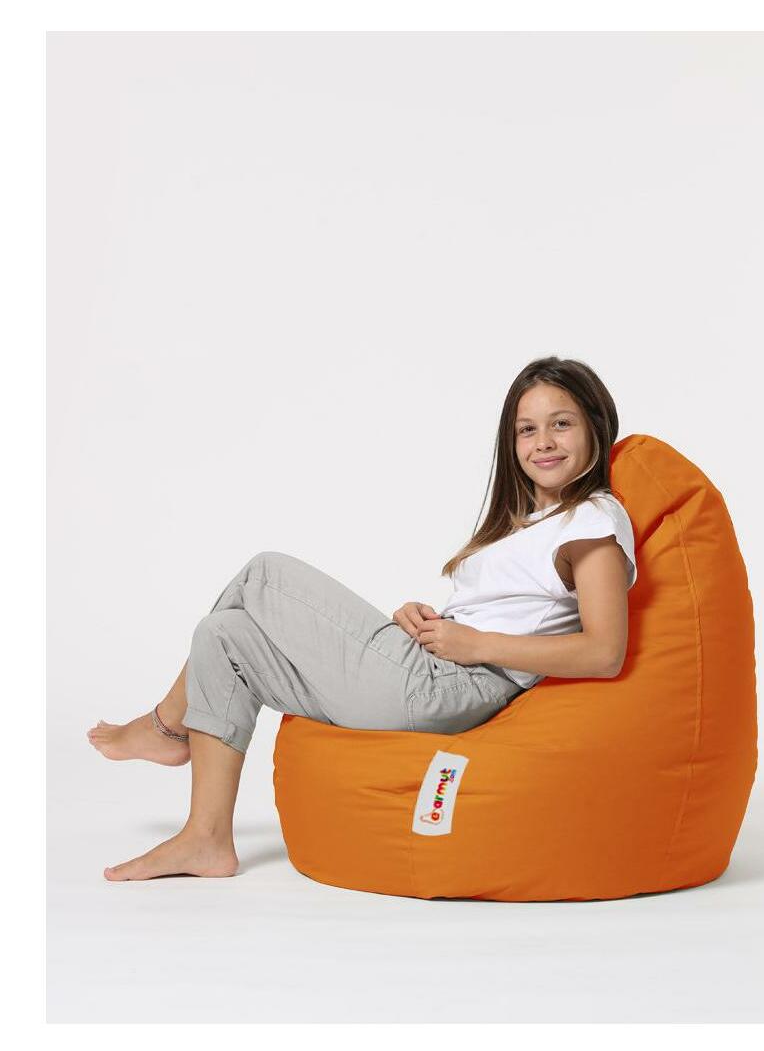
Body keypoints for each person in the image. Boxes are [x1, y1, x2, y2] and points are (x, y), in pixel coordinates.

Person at [88, 356, 637, 881]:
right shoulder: (533, 522)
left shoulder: (592, 519)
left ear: (594, 427)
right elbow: (511, 610)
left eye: (561, 424)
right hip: (435, 668)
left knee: (264, 574)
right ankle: (205, 838)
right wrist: (427, 621)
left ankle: (165, 726)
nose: (543, 442)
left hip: (454, 687)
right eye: (526, 430)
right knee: (222, 637)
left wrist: (477, 644)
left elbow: (604, 652)